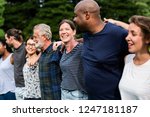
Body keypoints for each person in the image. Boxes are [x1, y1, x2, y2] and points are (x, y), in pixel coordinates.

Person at [73, 0, 128, 100]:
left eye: (76, 15)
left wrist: (117, 22)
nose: (74, 19)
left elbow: (143, 38)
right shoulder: (87, 35)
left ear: (87, 15)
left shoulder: (116, 34)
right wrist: (65, 42)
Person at [118, 15, 150, 100]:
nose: (127, 37)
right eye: (128, 33)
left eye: (133, 34)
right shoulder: (127, 59)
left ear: (147, 38)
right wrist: (115, 22)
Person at [59, 19, 87, 100]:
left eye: (67, 29)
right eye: (61, 30)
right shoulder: (62, 50)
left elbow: (93, 39)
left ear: (74, 32)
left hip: (77, 94)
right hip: (64, 92)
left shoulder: (82, 48)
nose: (63, 32)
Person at [33, 23, 62, 100]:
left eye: (35, 37)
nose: (34, 40)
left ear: (44, 37)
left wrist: (62, 42)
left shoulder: (58, 49)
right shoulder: (42, 54)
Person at [5, 28, 26, 100]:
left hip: (26, 87)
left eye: (6, 39)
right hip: (17, 87)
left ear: (11, 38)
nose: (6, 42)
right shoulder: (15, 51)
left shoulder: (26, 47)